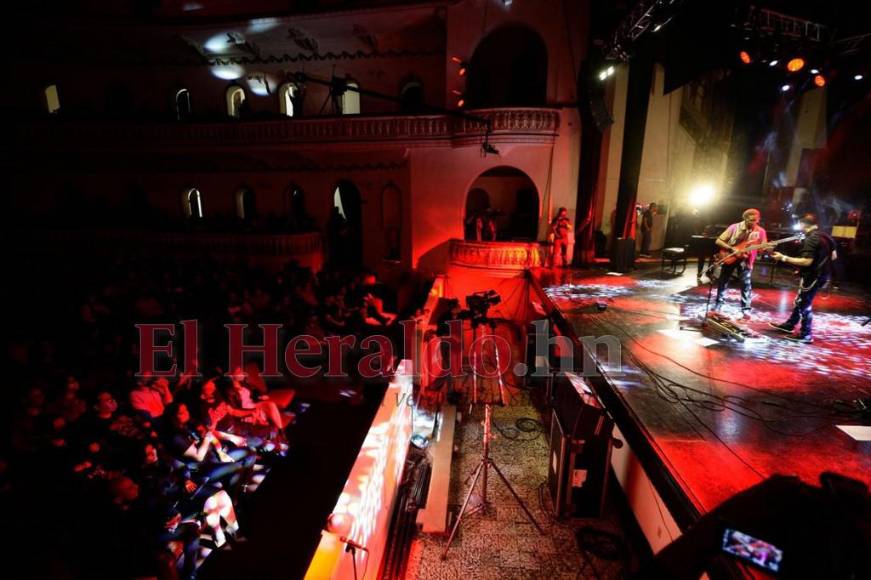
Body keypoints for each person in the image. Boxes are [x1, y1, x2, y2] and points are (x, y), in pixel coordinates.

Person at [769, 213, 836, 344]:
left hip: (813, 276)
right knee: (801, 300)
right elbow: (834, 256)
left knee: (805, 304)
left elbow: (807, 261)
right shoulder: (826, 237)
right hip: (822, 275)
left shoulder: (811, 239)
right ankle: (790, 324)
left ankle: (806, 334)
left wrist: (783, 258)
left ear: (803, 224)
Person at [713, 208, 767, 319]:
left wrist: (766, 249)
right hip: (730, 257)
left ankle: (745, 309)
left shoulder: (760, 231)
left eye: (756, 220)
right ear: (745, 219)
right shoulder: (734, 227)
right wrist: (731, 249)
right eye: (751, 220)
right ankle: (718, 304)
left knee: (746, 284)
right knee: (723, 281)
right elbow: (718, 240)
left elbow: (762, 248)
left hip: (746, 260)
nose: (754, 222)